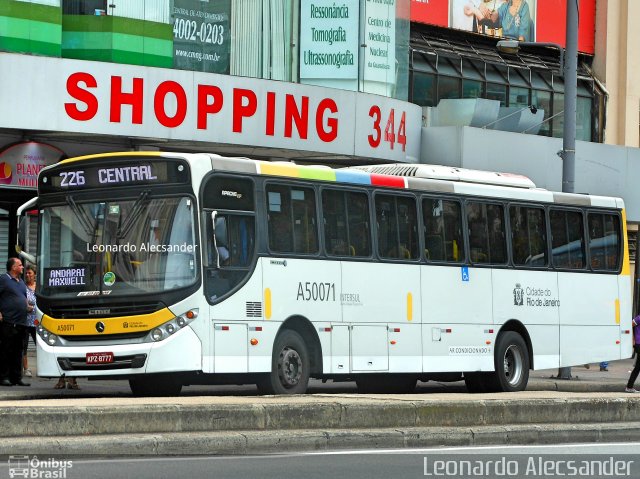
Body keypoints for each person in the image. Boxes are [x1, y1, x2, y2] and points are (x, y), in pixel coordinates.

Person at [0, 257, 30, 386]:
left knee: (18, 350)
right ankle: (3, 377)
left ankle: (16, 377)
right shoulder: (4, 279)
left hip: (21, 322)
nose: (22, 267)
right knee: (6, 349)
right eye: (20, 265)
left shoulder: (21, 282)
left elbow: (22, 298)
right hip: (8, 321)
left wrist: (27, 306)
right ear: (13, 267)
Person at [22, 265, 37, 378]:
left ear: (34, 274)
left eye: (30, 273)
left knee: (41, 346)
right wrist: (25, 306)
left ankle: (44, 366)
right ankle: (26, 369)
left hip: (37, 322)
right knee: (24, 346)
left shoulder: (39, 287)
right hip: (25, 322)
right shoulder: (22, 287)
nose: (27, 275)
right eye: (26, 273)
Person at [625, 315, 640, 393]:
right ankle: (629, 387)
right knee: (637, 367)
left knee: (638, 367)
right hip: (639, 343)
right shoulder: (639, 318)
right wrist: (632, 339)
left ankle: (629, 386)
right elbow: (630, 325)